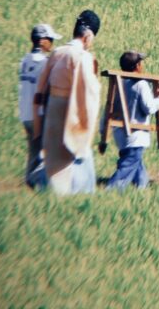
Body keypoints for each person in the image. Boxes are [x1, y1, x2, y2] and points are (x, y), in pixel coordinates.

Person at [34, 10, 102, 195]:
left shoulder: (57, 52)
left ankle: (50, 192)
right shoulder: (83, 57)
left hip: (52, 109)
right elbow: (89, 93)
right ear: (88, 37)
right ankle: (78, 194)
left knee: (53, 156)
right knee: (74, 155)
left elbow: (41, 87)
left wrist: (40, 112)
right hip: (71, 110)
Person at [102, 51, 159, 190]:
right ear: (137, 66)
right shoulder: (141, 84)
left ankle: (142, 189)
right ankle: (111, 191)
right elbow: (149, 108)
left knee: (137, 165)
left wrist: (103, 134)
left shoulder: (118, 83)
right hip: (136, 134)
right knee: (128, 165)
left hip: (120, 134)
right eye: (141, 63)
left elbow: (108, 109)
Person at [18, 23, 61, 190]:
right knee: (47, 150)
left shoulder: (24, 60)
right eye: (50, 39)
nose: (52, 43)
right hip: (39, 114)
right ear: (42, 41)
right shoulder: (45, 63)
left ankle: (30, 181)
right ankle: (39, 183)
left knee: (34, 149)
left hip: (25, 114)